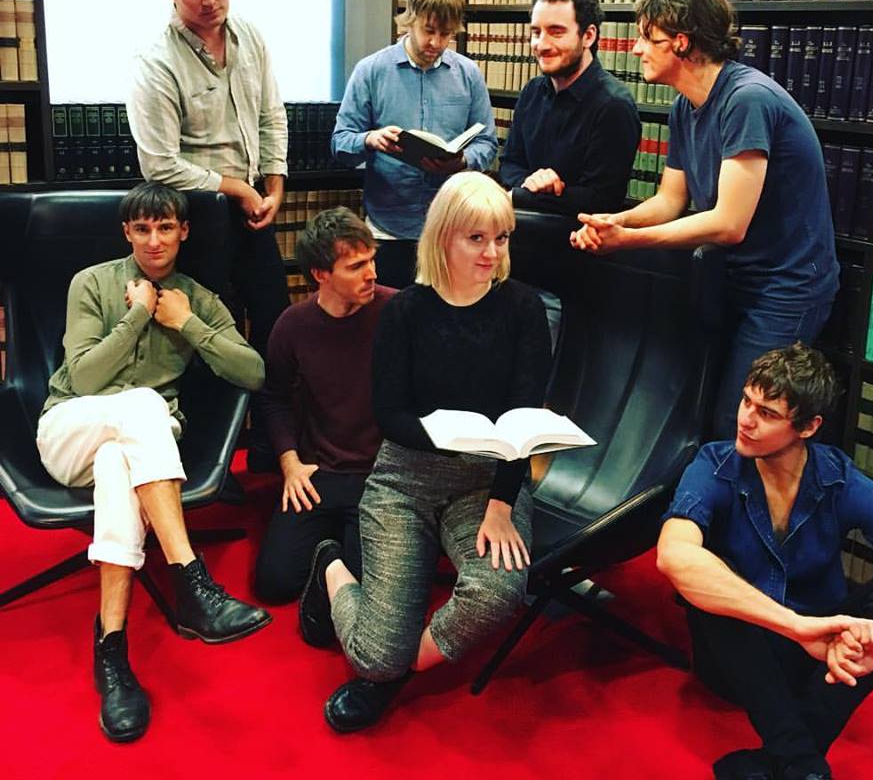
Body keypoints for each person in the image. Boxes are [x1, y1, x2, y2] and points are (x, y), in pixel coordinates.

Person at [296, 171, 552, 732]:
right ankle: (331, 567)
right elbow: (390, 414)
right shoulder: (406, 310)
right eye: (476, 238)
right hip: (405, 477)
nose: (492, 253)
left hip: (488, 482)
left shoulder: (524, 308)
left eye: (501, 238)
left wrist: (503, 505)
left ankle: (399, 669)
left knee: (499, 592)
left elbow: (523, 420)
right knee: (372, 656)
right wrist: (451, 435)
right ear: (443, 238)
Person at [656, 343, 873, 780]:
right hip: (738, 659)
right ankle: (801, 761)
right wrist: (794, 626)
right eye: (746, 401)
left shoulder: (839, 480)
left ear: (808, 426)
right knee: (711, 574)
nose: (746, 419)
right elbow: (673, 555)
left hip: (818, 659)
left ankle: (791, 758)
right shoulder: (714, 464)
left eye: (767, 413)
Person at [36, 182, 271, 744]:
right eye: (142, 229)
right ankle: (190, 580)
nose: (154, 240)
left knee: (119, 461)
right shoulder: (92, 283)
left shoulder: (195, 298)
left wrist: (186, 323)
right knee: (144, 405)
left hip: (134, 450)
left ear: (183, 231)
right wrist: (139, 315)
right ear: (127, 232)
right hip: (70, 428)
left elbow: (254, 372)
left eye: (165, 227)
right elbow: (85, 379)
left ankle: (112, 652)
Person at [571, 0, 839, 439]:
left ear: (681, 42)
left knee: (743, 422)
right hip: (729, 278)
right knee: (697, 412)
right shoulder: (684, 106)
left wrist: (628, 240)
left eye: (647, 38)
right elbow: (669, 201)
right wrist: (613, 221)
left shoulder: (746, 100)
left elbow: (729, 224)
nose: (636, 49)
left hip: (786, 286)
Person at [128, 0, 290, 468]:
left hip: (253, 208)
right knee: (207, 334)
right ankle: (210, 460)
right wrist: (234, 187)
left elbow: (271, 116)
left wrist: (273, 186)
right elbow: (158, 164)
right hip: (199, 217)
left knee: (274, 325)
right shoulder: (155, 61)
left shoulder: (250, 37)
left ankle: (271, 446)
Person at [253, 207, 395, 647]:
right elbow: (273, 397)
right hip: (320, 472)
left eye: (372, 260)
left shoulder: (396, 309)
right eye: (356, 266)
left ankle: (335, 557)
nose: (371, 273)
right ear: (320, 275)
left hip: (382, 476)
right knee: (274, 583)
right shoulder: (293, 325)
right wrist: (289, 463)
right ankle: (331, 553)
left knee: (367, 591)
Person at [331, 0, 497, 287]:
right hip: (388, 228)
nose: (436, 43)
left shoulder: (468, 74)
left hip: (451, 227)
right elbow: (340, 141)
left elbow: (487, 142)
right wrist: (370, 139)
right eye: (428, 30)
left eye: (446, 34)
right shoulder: (371, 71)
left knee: (447, 313)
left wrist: (462, 161)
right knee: (392, 311)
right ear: (410, 20)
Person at [498, 0, 639, 217]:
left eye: (556, 32)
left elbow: (600, 200)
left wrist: (522, 195)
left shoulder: (614, 106)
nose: (541, 44)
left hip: (576, 237)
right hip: (519, 228)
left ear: (588, 36)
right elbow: (509, 164)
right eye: (536, 32)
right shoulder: (532, 91)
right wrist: (532, 181)